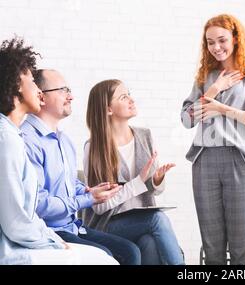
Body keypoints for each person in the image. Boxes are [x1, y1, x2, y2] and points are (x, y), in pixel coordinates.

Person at [0, 37, 117, 265]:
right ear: (16, 85)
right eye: (32, 82)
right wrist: (53, 240)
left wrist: (85, 192)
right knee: (106, 260)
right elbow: (16, 222)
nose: (38, 90)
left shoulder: (12, 134)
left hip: (38, 237)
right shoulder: (8, 139)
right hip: (17, 247)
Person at [181, 14, 245, 265]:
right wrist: (214, 90)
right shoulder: (205, 77)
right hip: (205, 161)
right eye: (210, 42)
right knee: (212, 247)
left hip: (241, 161)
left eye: (222, 40)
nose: (216, 47)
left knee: (240, 247)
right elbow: (187, 120)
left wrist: (224, 110)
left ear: (235, 39)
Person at [20, 69, 141, 265]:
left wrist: (87, 190)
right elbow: (40, 205)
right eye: (63, 90)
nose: (71, 96)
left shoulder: (64, 140)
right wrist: (87, 199)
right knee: (105, 256)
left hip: (72, 226)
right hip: (48, 231)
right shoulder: (27, 140)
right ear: (41, 97)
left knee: (130, 251)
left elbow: (67, 182)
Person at [83, 79, 184, 265]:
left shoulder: (144, 136)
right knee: (157, 219)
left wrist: (156, 180)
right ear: (108, 109)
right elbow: (99, 207)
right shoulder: (94, 148)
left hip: (141, 222)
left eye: (129, 94)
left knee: (150, 243)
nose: (131, 100)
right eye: (123, 97)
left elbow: (155, 191)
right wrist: (138, 182)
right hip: (108, 224)